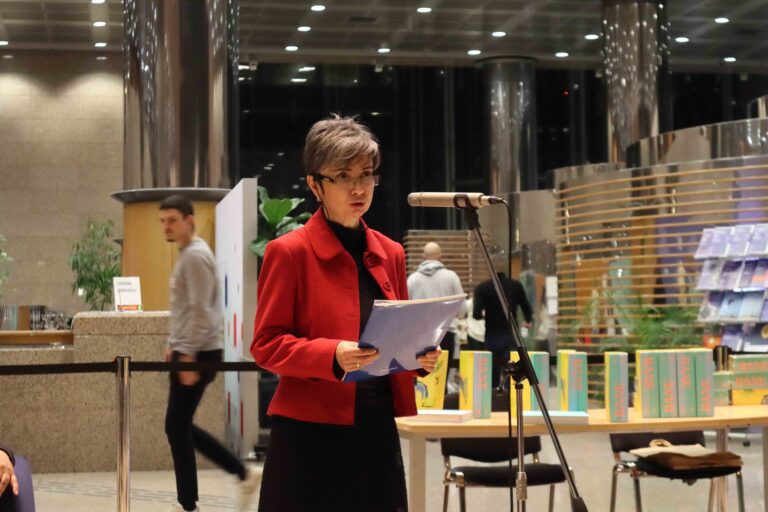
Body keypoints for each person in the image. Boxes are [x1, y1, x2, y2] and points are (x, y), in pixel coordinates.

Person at [251, 114, 441, 512]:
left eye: (366, 174)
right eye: (342, 176)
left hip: (375, 428)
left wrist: (419, 357)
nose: (358, 188)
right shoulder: (288, 252)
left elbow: (399, 334)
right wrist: (331, 355)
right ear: (315, 185)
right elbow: (266, 345)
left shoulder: (391, 252)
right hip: (308, 434)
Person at [159, 195, 260, 512]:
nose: (166, 226)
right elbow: (187, 309)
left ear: (189, 219)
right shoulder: (189, 253)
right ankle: (240, 475)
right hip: (190, 350)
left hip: (198, 353)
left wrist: (187, 355)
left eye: (172, 220)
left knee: (176, 426)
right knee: (179, 426)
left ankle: (190, 502)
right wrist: (174, 344)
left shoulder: (195, 256)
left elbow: (203, 311)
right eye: (163, 221)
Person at [473, 256, 533, 388]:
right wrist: (528, 320)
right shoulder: (515, 285)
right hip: (511, 334)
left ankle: (494, 396)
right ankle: (510, 396)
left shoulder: (482, 288)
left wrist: (485, 315)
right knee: (511, 370)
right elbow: (526, 308)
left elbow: (476, 314)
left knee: (492, 371)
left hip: (492, 335)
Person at [407, 242, 465, 358]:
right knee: (444, 368)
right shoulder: (452, 277)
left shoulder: (412, 279)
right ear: (440, 257)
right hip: (446, 332)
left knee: (422, 368)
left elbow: (405, 309)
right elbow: (462, 309)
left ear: (423, 257)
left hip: (420, 334)